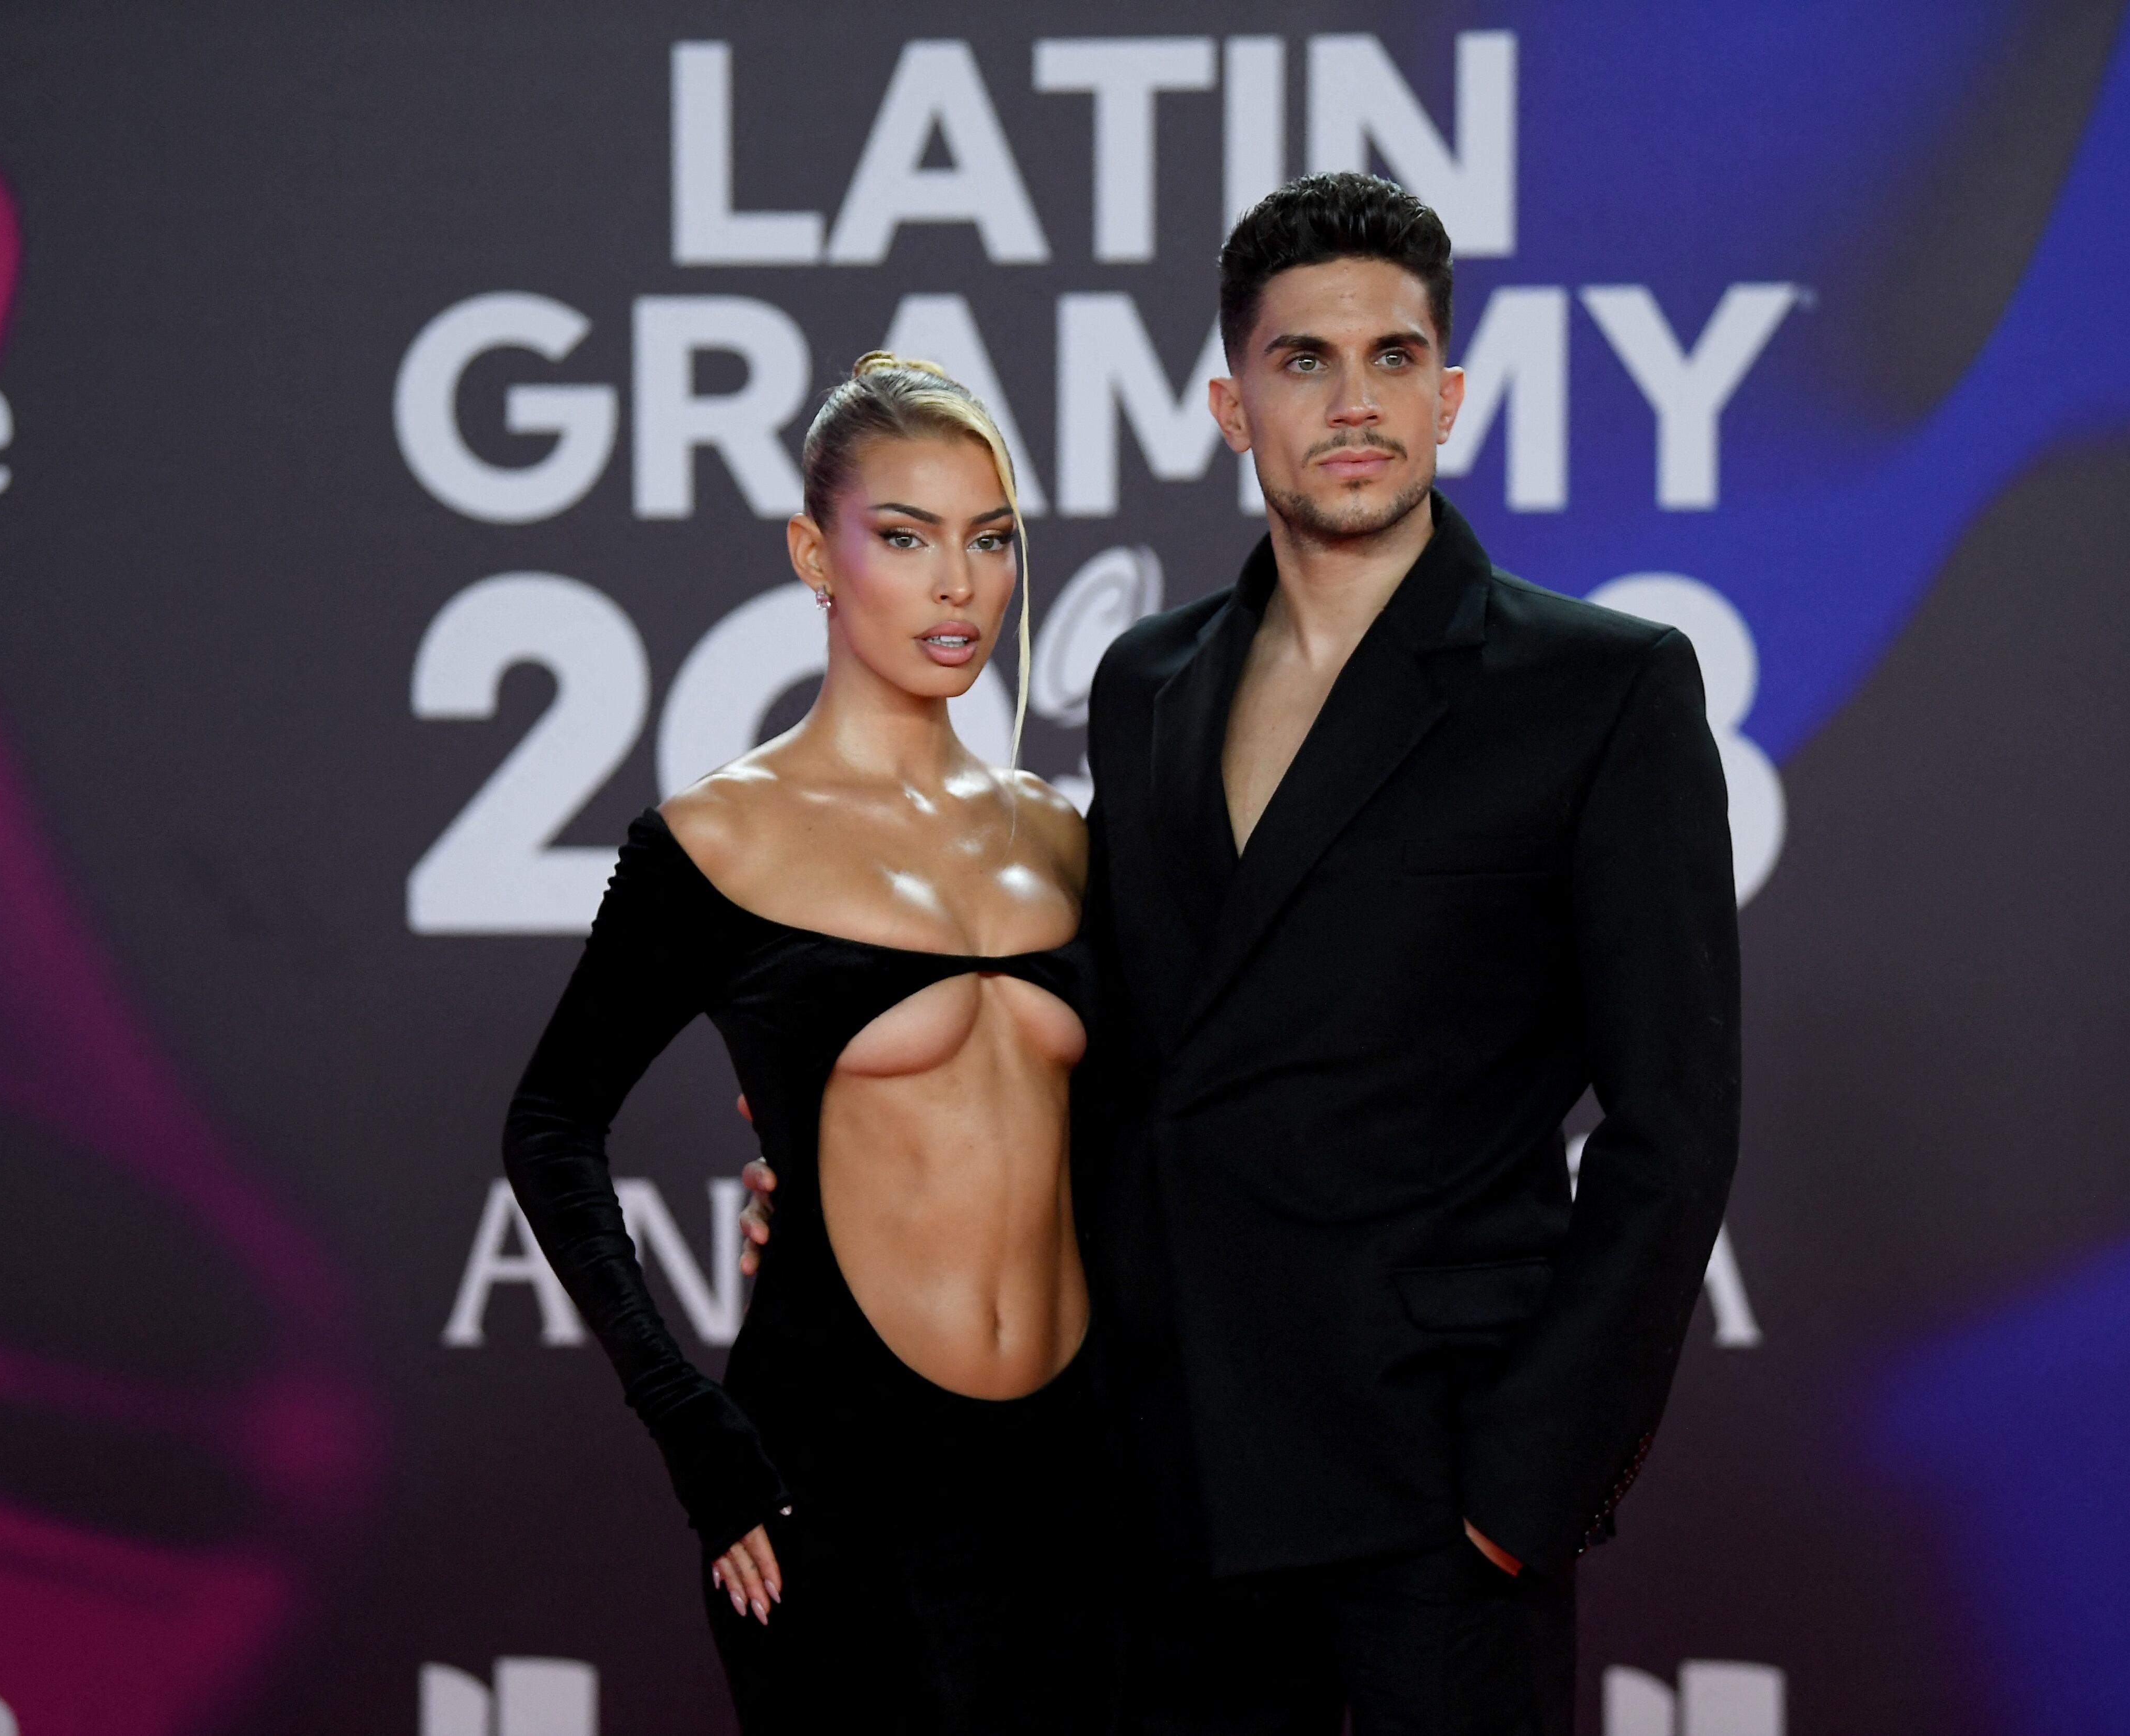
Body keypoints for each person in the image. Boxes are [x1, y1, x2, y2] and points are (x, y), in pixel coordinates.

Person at [744, 173, 1738, 1729]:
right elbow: (1122, 1047)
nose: (1355, 403)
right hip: (1163, 1474)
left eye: (1393, 358)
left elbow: (1675, 1130)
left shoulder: (1598, 691)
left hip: (1429, 1492)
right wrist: (868, 1170)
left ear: (1451, 392)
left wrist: (1524, 1486)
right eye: (1304, 362)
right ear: (1229, 404)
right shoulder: (1148, 683)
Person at [504, 353, 1106, 1734]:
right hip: (836, 1482)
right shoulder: (720, 838)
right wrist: (693, 1431)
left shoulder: (1067, 836)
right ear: (814, 554)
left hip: (1079, 1486)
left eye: (991, 539)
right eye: (905, 538)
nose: (958, 586)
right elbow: (550, 1123)